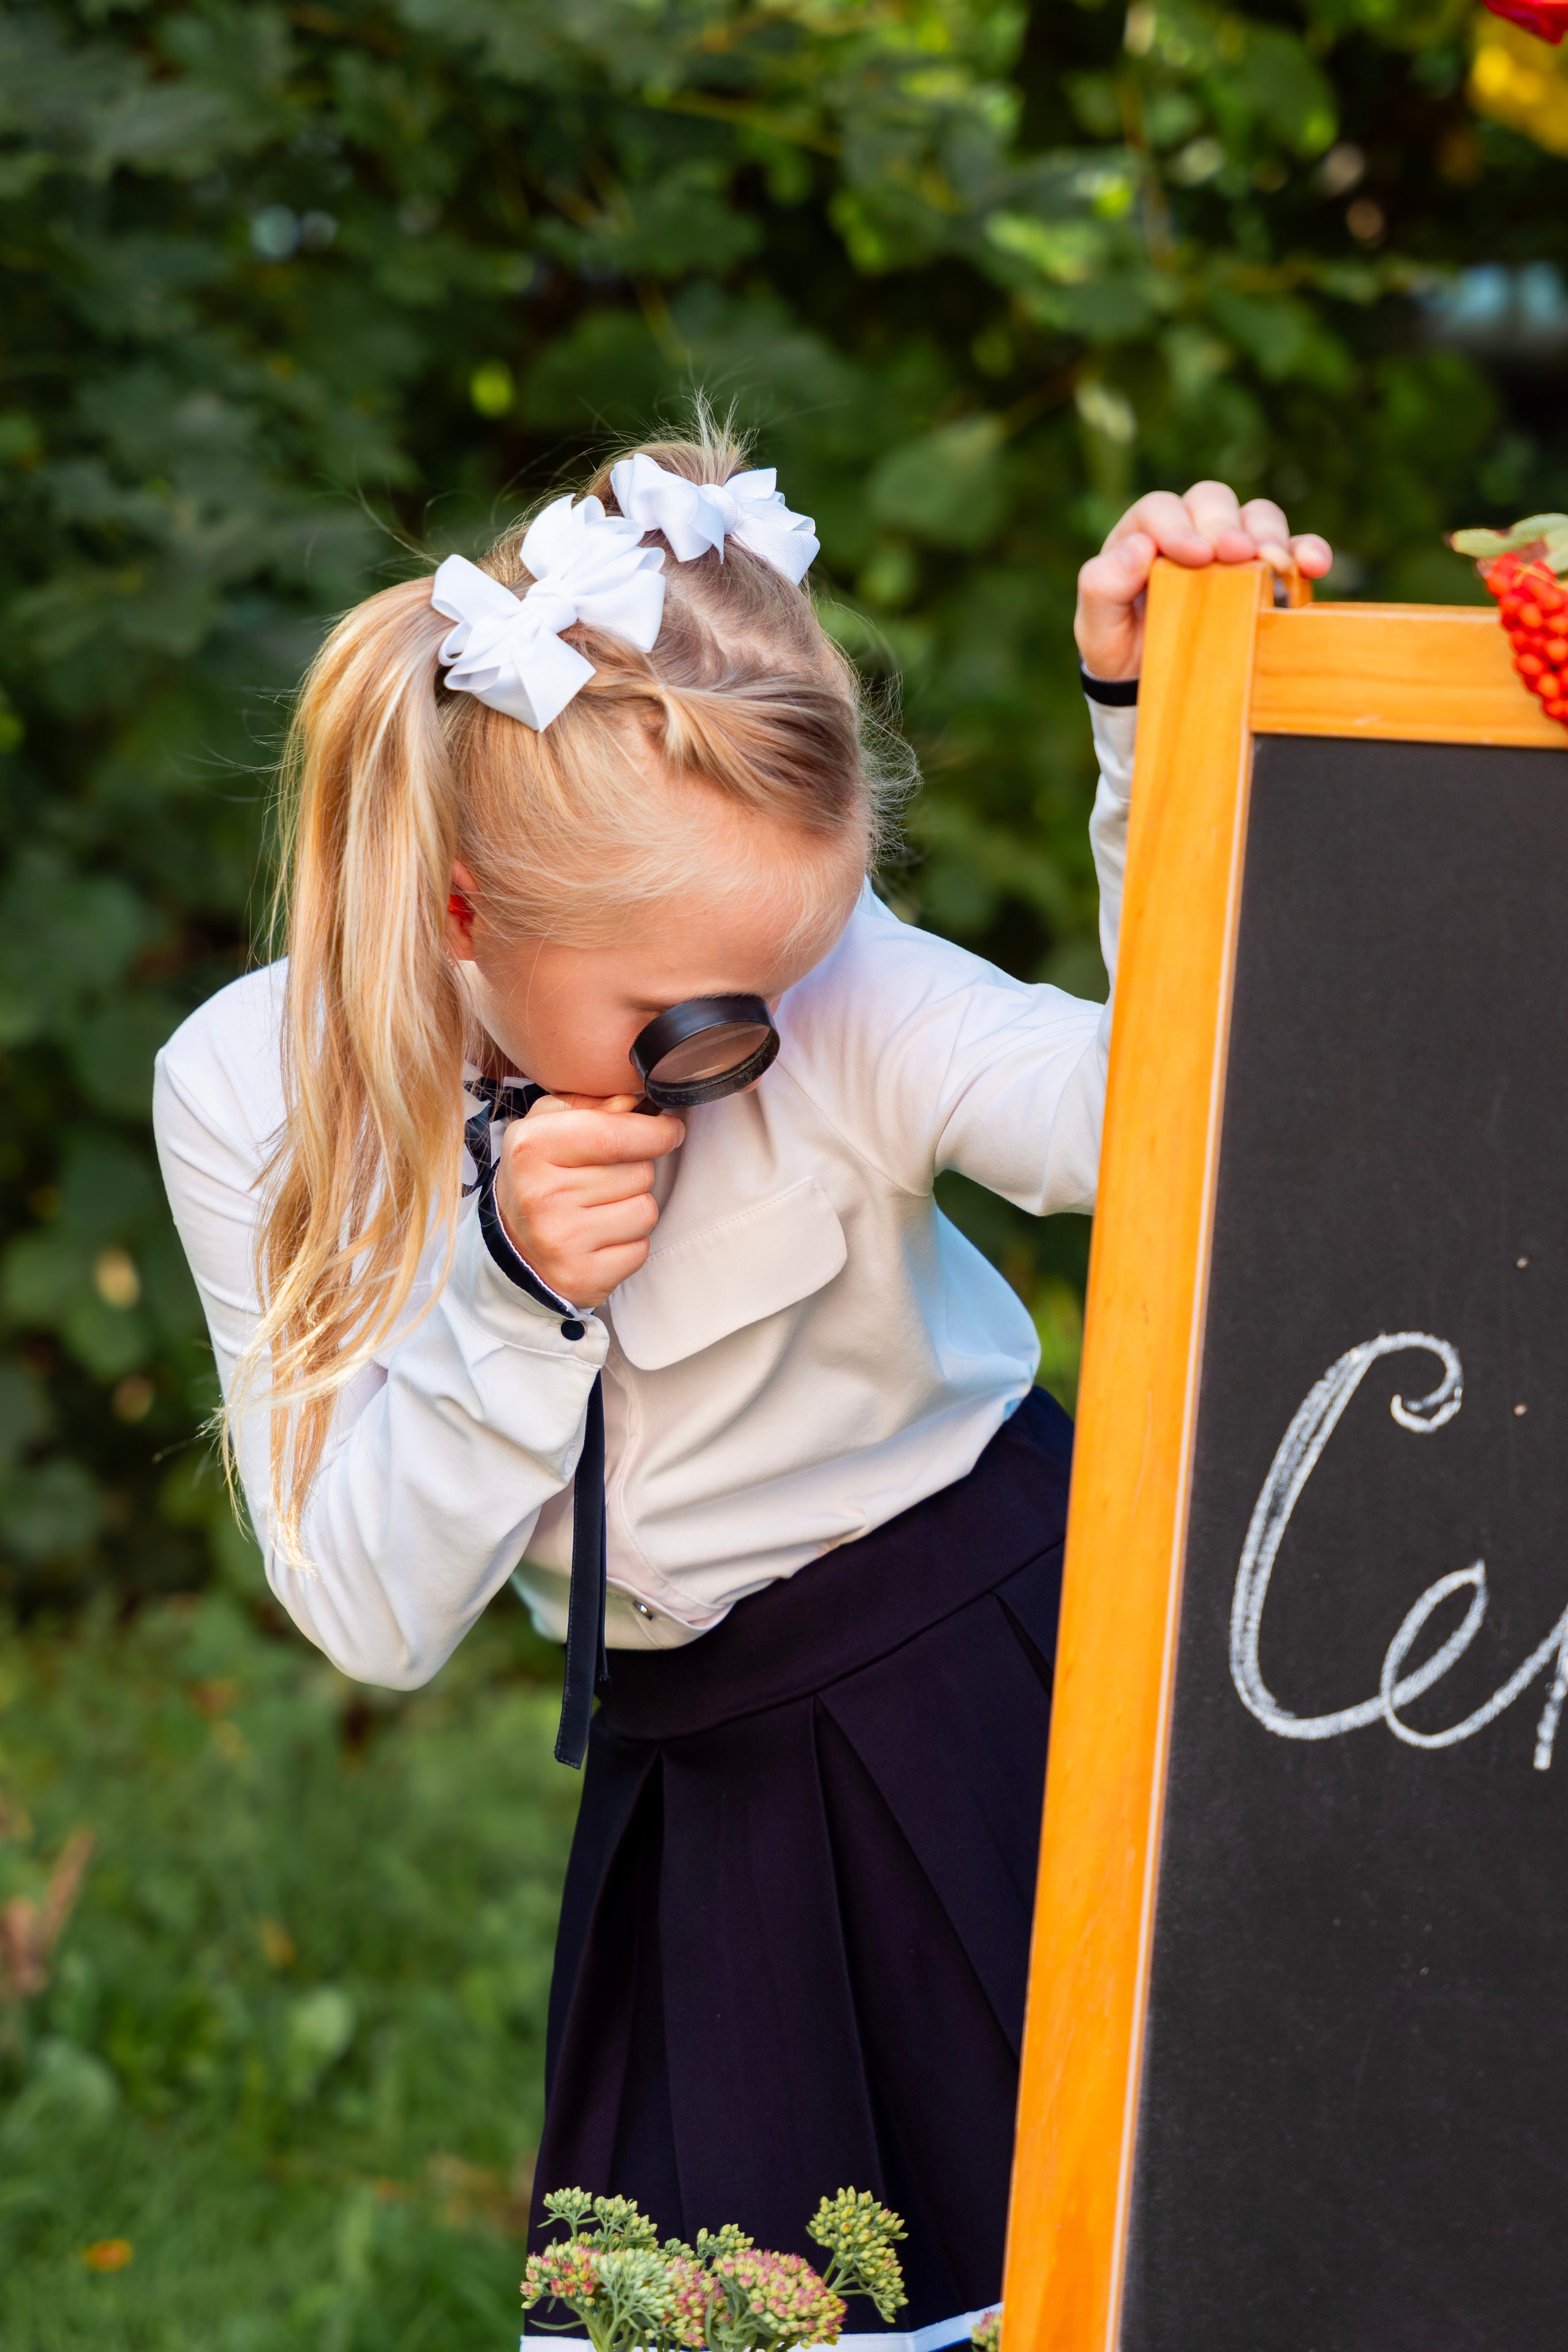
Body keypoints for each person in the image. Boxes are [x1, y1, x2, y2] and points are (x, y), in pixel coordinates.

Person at [153, 428, 1330, 2330]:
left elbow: (1177, 1125)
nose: (766, 1041)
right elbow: (369, 1614)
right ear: (464, 912)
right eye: (698, 1024)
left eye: (797, 968)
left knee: (1150, 2265)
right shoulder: (248, 1094)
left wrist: (1157, 734)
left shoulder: (820, 982)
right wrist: (514, 1305)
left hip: (1000, 1669)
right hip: (696, 1763)